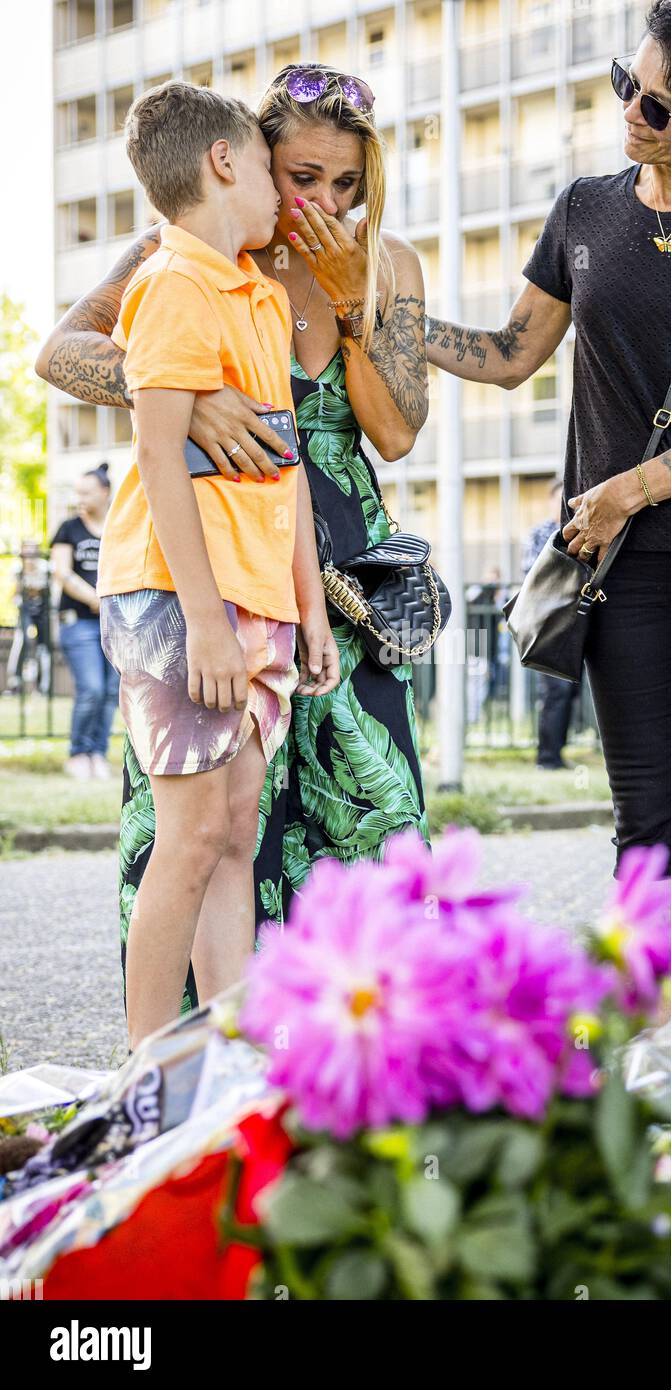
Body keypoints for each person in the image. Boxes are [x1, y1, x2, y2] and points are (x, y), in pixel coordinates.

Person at [426, 0, 671, 1020]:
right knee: (642, 816)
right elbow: (513, 355)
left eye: (657, 103)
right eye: (627, 85)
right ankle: (655, 1067)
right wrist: (386, 322)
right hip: (622, 565)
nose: (630, 113)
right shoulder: (582, 210)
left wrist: (622, 491)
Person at [36, 64, 431, 1014]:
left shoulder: (390, 265)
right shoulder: (198, 246)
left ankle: (367, 1064)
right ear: (247, 161)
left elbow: (397, 431)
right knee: (209, 823)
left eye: (347, 183)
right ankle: (188, 1056)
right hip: (206, 564)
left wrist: (346, 303)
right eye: (303, 176)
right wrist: (184, 395)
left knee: (370, 814)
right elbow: (59, 352)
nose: (324, 202)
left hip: (336, 565)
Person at [92, 81, 340, 1046]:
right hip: (179, 596)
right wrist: (203, 620)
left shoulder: (260, 295)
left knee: (237, 829)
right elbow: (159, 453)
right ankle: (143, 1077)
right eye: (268, 167)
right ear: (224, 162)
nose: (287, 192)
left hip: (257, 595)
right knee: (191, 835)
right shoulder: (177, 280)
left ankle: (227, 1070)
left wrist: (308, 607)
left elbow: (287, 468)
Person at [50, 464, 118, 779]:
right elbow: (62, 573)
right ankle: (78, 753)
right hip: (79, 622)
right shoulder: (69, 528)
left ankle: (97, 753)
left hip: (114, 623)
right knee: (90, 688)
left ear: (104, 492)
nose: (80, 498)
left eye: (87, 492)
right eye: (77, 492)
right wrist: (96, 599)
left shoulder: (120, 525)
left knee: (110, 691)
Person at [521, 478, 580, 769]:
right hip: (549, 622)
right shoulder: (540, 534)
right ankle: (547, 757)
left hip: (577, 618)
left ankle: (557, 752)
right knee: (555, 691)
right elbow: (533, 574)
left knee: (570, 691)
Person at [4, 540, 51, 699]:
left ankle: (43, 686)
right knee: (21, 641)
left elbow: (49, 593)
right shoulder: (18, 570)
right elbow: (15, 595)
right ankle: (14, 682)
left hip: (43, 610)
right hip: (25, 609)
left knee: (43, 647)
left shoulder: (45, 568)